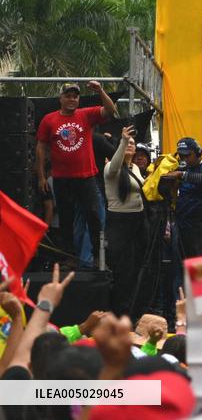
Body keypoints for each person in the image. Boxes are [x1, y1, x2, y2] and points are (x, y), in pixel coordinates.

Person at [35, 81, 117, 256]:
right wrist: (41, 177)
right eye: (68, 96)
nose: (72, 99)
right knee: (66, 218)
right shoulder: (49, 119)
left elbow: (111, 111)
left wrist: (101, 90)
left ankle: (97, 256)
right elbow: (41, 147)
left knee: (94, 214)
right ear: (61, 98)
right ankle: (70, 256)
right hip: (61, 178)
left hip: (86, 177)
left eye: (75, 96)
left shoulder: (86, 115)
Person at [103, 125, 148, 317]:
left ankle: (134, 310)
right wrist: (122, 140)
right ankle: (120, 312)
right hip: (119, 222)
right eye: (127, 143)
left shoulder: (136, 167)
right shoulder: (110, 168)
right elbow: (114, 166)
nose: (131, 145)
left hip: (138, 221)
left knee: (138, 267)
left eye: (132, 143)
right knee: (123, 271)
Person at [162, 137, 202, 259]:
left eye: (187, 155)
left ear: (198, 154)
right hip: (183, 226)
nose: (184, 159)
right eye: (181, 156)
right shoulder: (182, 168)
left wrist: (182, 175)